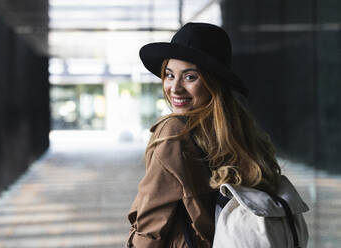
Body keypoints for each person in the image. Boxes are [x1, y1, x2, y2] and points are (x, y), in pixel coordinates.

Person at [127, 22, 308, 248]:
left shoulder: (173, 131)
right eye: (170, 75)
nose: (175, 88)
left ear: (213, 81)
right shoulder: (242, 132)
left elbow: (150, 228)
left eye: (190, 77)